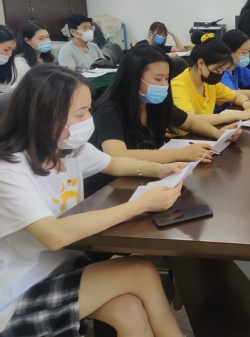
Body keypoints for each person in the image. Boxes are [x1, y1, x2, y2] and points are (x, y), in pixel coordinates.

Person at [0, 64, 186, 336]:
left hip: (61, 267)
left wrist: (159, 170)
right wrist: (140, 204)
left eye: (88, 110)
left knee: (129, 310)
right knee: (141, 270)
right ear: (45, 117)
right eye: (81, 114)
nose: (89, 119)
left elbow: (113, 163)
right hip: (17, 291)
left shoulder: (68, 149)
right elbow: (54, 235)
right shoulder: (9, 169)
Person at [91, 44, 238, 166]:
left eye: (167, 78)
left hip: (153, 174)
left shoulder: (153, 103)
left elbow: (191, 122)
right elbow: (117, 155)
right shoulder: (109, 111)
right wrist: (179, 154)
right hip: (116, 183)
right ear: (134, 78)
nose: (164, 85)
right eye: (158, 79)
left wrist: (217, 134)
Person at [170, 31, 250, 125]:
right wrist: (238, 115)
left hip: (205, 131)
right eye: (217, 70)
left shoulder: (209, 82)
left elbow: (236, 96)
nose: (220, 74)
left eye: (223, 70)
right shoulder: (178, 86)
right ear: (201, 63)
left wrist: (247, 104)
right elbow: (191, 120)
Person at [13, 20, 55, 85]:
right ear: (27, 40)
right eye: (41, 38)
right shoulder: (20, 62)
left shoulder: (46, 57)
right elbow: (23, 87)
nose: (46, 41)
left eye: (47, 37)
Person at [0, 25, 17, 93]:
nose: (10, 54)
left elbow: (4, 86)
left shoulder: (6, 64)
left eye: (12, 50)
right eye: (6, 49)